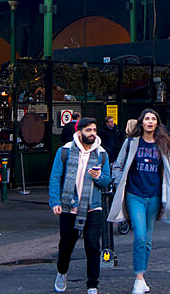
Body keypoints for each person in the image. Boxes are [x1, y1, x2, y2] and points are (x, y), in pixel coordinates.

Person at [109, 108, 170, 294]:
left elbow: (167, 171)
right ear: (141, 122)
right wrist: (119, 181)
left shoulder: (162, 144)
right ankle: (138, 279)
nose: (149, 122)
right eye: (146, 118)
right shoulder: (131, 142)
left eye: (153, 119)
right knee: (139, 235)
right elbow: (118, 165)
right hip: (134, 194)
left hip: (154, 196)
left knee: (147, 240)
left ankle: (142, 276)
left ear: (157, 123)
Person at [49, 116, 110, 294]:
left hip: (93, 206)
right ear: (79, 132)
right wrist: (55, 201)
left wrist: (98, 177)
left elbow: (107, 181)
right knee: (66, 245)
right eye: (88, 130)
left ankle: (92, 284)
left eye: (94, 130)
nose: (92, 134)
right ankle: (62, 272)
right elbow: (55, 178)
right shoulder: (64, 151)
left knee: (92, 246)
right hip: (69, 206)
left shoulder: (102, 154)